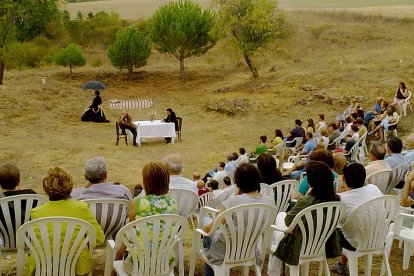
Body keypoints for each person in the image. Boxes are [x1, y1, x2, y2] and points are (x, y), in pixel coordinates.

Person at [25, 167, 105, 276]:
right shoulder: (81, 208)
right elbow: (99, 238)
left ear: (46, 189)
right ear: (70, 187)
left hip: (42, 267)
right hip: (77, 267)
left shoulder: (36, 212)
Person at [267, 161, 341, 275]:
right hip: (320, 243)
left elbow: (288, 222)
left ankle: (273, 271)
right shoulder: (337, 201)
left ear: (311, 181)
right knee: (281, 220)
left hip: (299, 244)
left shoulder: (306, 201)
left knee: (281, 217)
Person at [201, 164, 274, 276]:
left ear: (238, 183)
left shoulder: (234, 201)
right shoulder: (269, 202)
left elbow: (210, 229)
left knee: (206, 221)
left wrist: (200, 230)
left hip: (224, 251)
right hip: (250, 249)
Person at [114, 161, 177, 274]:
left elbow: (130, 229)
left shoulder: (137, 202)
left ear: (146, 182)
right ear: (166, 182)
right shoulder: (173, 202)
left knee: (125, 241)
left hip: (137, 266)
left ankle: (113, 271)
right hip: (165, 263)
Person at [332, 163, 383, 275]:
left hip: (355, 242)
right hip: (378, 238)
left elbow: (335, 224)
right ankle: (342, 265)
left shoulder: (341, 199)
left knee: (340, 229)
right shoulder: (374, 188)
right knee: (350, 226)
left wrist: (340, 191)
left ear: (344, 178)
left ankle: (341, 265)